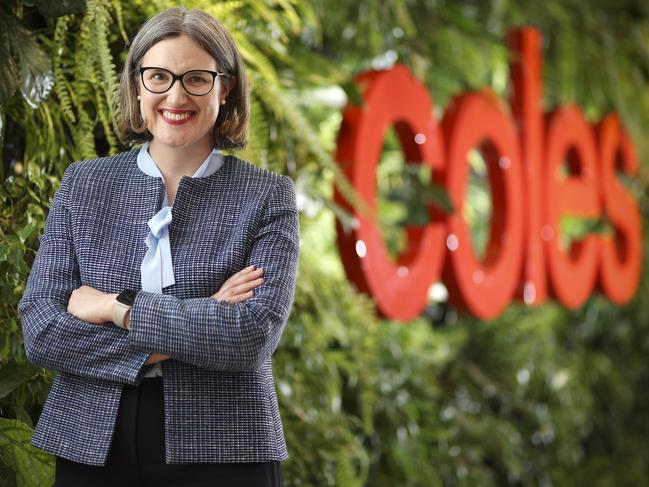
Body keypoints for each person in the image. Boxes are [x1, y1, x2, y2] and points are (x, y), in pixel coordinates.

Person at [18, 7, 299, 487]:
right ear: (136, 85)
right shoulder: (84, 185)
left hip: (228, 445)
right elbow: (43, 330)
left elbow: (250, 337)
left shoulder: (267, 196)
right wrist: (204, 313)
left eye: (196, 79)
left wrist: (116, 308)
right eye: (158, 77)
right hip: (90, 439)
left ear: (225, 87)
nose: (175, 95)